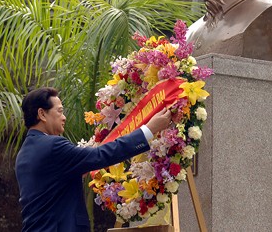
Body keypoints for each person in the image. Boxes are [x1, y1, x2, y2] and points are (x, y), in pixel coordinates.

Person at [15, 87, 172, 232]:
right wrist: (148, 130)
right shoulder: (53, 146)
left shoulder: (23, 154)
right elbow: (100, 155)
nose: (64, 117)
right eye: (60, 111)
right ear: (42, 114)